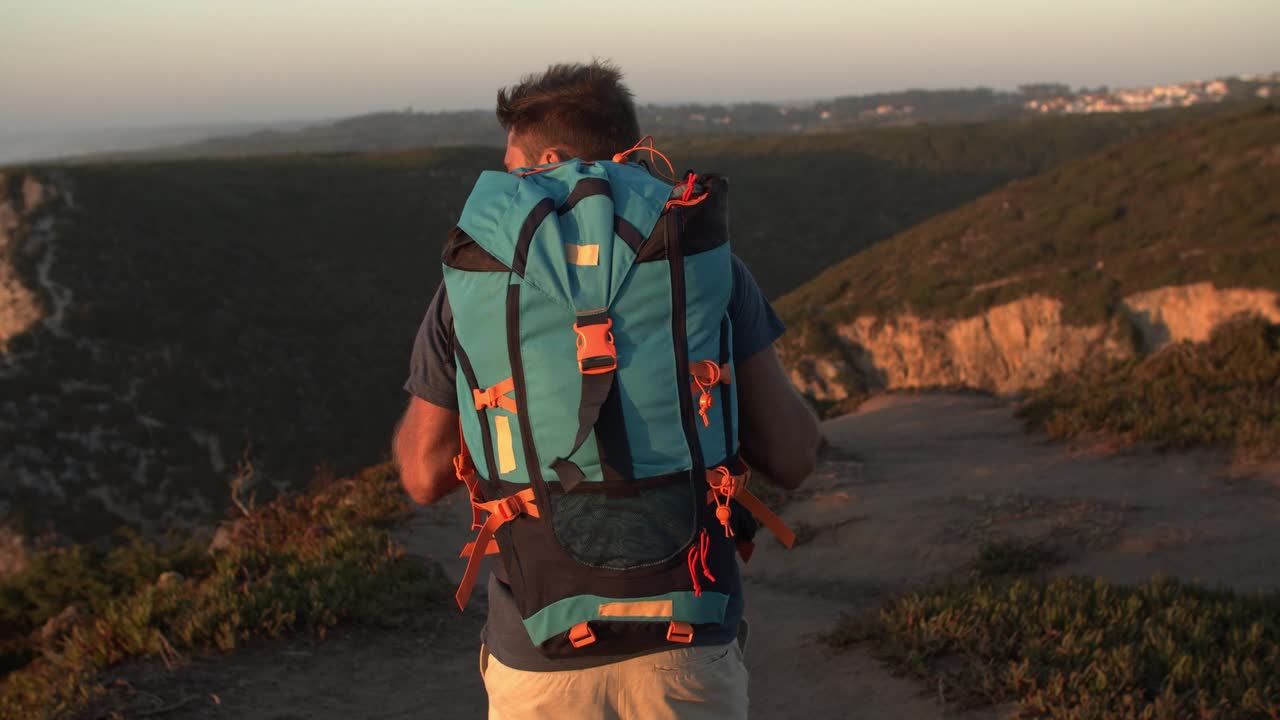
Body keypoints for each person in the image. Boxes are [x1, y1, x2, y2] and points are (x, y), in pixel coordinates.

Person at [393, 61, 821, 719]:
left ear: (551, 161)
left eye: (514, 167)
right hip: (688, 647)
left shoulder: (475, 277)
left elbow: (423, 476)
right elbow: (793, 455)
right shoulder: (699, 260)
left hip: (538, 655)